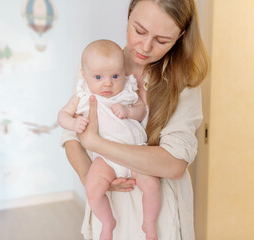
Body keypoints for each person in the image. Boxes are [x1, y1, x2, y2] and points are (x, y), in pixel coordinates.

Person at [61, 0, 209, 239]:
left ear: (180, 36)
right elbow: (71, 137)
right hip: (109, 212)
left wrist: (97, 144)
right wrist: (90, 177)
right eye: (139, 31)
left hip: (161, 221)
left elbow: (174, 164)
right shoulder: (98, 66)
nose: (145, 46)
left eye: (162, 40)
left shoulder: (183, 83)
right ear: (128, 15)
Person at [57, 40, 161, 240]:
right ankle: (107, 222)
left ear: (123, 72)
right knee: (93, 188)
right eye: (98, 77)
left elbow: (141, 111)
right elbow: (62, 115)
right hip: (105, 159)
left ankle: (149, 223)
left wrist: (128, 111)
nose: (108, 83)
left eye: (115, 76)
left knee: (152, 185)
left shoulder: (127, 92)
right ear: (84, 76)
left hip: (135, 154)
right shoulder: (83, 96)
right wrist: (73, 124)